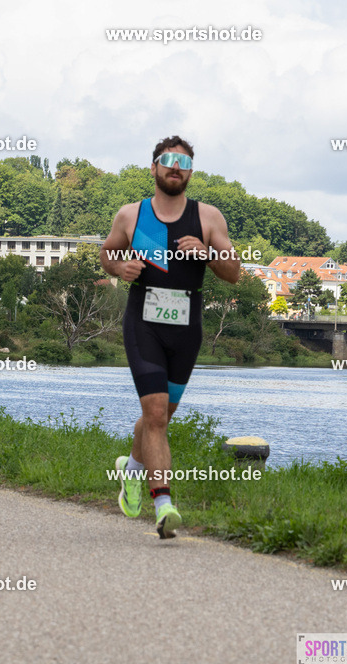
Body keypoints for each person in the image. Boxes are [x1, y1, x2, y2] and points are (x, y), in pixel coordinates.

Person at [100, 135, 240, 539]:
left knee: (158, 417)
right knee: (157, 414)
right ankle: (164, 505)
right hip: (143, 324)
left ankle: (131, 469)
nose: (175, 167)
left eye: (184, 162)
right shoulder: (131, 215)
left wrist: (208, 254)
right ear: (154, 167)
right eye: (168, 160)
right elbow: (108, 253)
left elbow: (234, 272)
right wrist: (120, 268)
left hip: (187, 329)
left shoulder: (208, 217)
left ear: (191, 172)